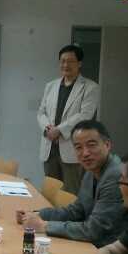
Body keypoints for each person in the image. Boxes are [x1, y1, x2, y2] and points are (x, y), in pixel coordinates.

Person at [17, 120, 128, 248]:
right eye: (78, 147)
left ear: (107, 145)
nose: (85, 153)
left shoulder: (116, 176)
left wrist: (45, 225)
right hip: (93, 246)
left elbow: (94, 230)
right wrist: (36, 214)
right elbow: (76, 211)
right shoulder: (91, 171)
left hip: (114, 253)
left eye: (91, 145)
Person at [38, 44, 100, 194]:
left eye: (70, 61)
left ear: (79, 63)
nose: (65, 65)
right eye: (63, 61)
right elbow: (41, 112)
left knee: (71, 193)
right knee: (50, 193)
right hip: (49, 148)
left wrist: (59, 130)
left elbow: (85, 115)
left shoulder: (90, 87)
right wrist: (47, 129)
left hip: (72, 148)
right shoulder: (51, 86)